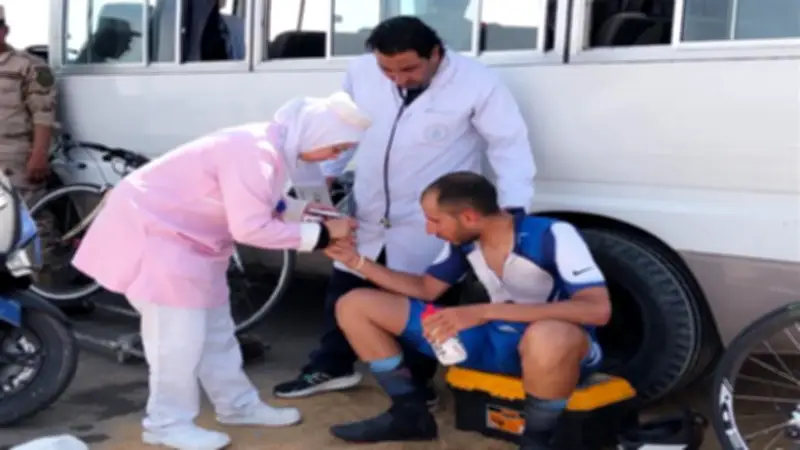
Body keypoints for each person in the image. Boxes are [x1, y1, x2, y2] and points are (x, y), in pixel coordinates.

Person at [71, 92, 369, 450]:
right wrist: (321, 235)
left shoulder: (271, 147)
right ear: (316, 133)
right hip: (158, 236)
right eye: (336, 148)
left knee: (216, 331)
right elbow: (251, 228)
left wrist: (315, 216)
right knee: (176, 342)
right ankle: (166, 423)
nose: (335, 157)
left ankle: (237, 405)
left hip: (190, 241)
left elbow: (267, 201)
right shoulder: (255, 150)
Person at [274, 16, 537, 405]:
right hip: (370, 206)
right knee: (346, 286)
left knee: (425, 305)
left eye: (409, 69)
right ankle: (332, 366)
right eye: (387, 70)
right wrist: (326, 174)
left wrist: (513, 211)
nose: (398, 79)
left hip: (428, 220)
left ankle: (416, 383)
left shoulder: (477, 83)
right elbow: (341, 129)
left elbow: (508, 145)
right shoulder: (361, 72)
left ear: (436, 54)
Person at [323, 172, 611, 449]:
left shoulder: (552, 233)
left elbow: (597, 309)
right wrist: (356, 262)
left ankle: (536, 440)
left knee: (549, 336)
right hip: (494, 339)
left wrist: (483, 312)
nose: (430, 230)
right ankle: (409, 414)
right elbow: (426, 288)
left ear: (469, 217)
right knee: (354, 304)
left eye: (435, 220)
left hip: (553, 352)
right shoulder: (465, 242)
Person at [0, 5, 58, 274]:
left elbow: (44, 114)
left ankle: (48, 281)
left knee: (32, 216)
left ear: (5, 30)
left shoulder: (29, 66)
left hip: (16, 152)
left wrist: (39, 155)